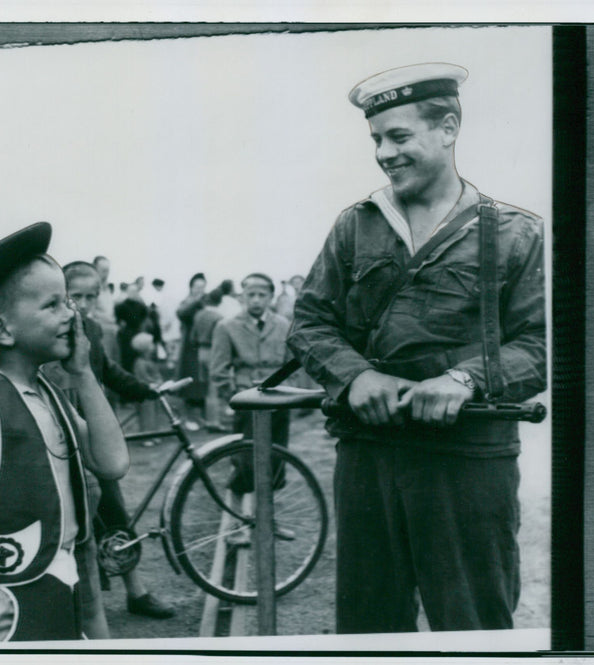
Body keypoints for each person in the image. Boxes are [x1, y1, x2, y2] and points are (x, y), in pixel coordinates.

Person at [286, 63, 546, 633]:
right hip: (368, 455)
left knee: (472, 623)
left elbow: (541, 343)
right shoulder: (355, 226)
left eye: (398, 136)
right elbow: (309, 322)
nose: (384, 152)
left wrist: (463, 380)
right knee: (369, 625)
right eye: (376, 139)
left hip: (468, 462)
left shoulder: (514, 233)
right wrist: (355, 377)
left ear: (448, 128)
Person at [0, 223, 129, 643]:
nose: (70, 314)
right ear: (3, 330)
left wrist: (84, 374)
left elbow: (112, 463)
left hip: (59, 598)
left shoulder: (49, 394)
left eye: (68, 301)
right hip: (2, 614)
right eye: (52, 305)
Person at [41, 261, 175, 633]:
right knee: (71, 522)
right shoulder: (47, 333)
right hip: (59, 439)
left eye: (91, 295)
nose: (83, 304)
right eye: (75, 296)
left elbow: (108, 370)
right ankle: (83, 609)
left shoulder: (95, 331)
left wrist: (147, 389)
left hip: (95, 440)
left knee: (114, 513)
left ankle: (135, 590)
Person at [210, 273, 294, 494]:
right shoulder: (227, 326)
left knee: (277, 462)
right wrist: (234, 398)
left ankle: (268, 522)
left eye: (262, 295)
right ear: (242, 297)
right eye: (251, 294)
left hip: (279, 403)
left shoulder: (283, 324)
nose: (256, 299)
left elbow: (291, 365)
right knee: (245, 464)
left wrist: (289, 396)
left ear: (271, 297)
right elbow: (219, 371)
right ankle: (239, 521)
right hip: (247, 404)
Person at [176, 272, 207, 430]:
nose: (200, 290)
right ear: (191, 287)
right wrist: (195, 301)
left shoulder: (205, 304)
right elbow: (181, 313)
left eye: (202, 287)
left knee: (202, 383)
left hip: (202, 347)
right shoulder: (187, 302)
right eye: (197, 287)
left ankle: (199, 417)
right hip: (189, 349)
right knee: (188, 382)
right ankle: (186, 417)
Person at [190, 288, 225, 432]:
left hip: (200, 351)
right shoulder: (218, 317)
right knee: (213, 389)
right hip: (213, 351)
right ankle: (213, 421)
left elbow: (193, 337)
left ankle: (208, 418)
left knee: (206, 388)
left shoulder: (198, 315)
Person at [130, 331, 163, 442]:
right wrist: (155, 382)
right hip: (145, 393)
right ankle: (146, 436)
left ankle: (154, 433)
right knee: (146, 415)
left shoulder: (149, 361)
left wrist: (158, 381)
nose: (153, 346)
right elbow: (142, 378)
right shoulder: (140, 363)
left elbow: (156, 374)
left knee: (154, 414)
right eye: (151, 344)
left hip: (153, 391)